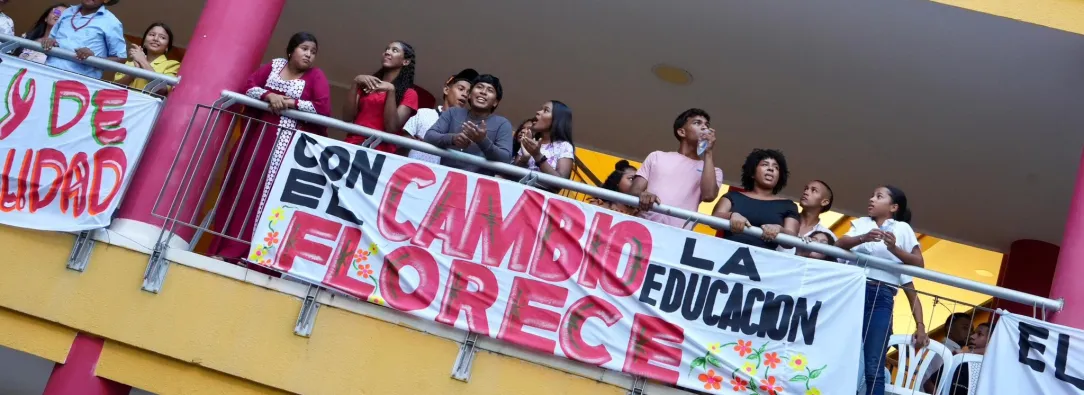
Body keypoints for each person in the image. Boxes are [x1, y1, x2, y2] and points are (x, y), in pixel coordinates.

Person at [207, 32, 331, 263]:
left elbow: (322, 109)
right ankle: (228, 249)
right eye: (304, 49)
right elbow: (249, 86)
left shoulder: (315, 76)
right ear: (291, 50)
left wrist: (291, 102)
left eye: (313, 52)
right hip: (256, 141)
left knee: (272, 198)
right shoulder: (274, 66)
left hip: (287, 149)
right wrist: (269, 95)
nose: (309, 55)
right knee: (244, 191)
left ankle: (256, 256)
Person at [836, 185, 927, 395]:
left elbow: (919, 263)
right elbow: (839, 243)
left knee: (873, 364)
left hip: (881, 298)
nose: (871, 199)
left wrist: (894, 248)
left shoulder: (902, 229)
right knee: (840, 353)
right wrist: (863, 238)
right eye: (871, 195)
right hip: (852, 294)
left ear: (893, 207)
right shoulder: (861, 224)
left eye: (878, 196)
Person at [630, 108, 722, 230]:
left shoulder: (714, 171)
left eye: (707, 125)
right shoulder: (656, 156)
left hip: (677, 236)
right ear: (682, 132)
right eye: (697, 123)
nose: (704, 127)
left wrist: (708, 152)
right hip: (643, 228)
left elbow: (708, 196)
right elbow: (633, 191)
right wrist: (643, 194)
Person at [422, 74, 513, 176]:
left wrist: (483, 141)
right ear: (469, 95)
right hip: (443, 178)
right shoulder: (453, 113)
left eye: (490, 90)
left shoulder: (503, 124)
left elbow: (505, 158)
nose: (483, 92)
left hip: (479, 186)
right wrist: (453, 139)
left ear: (495, 102)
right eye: (479, 87)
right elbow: (429, 136)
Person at [712, 149, 798, 250]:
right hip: (726, 255)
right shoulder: (733, 196)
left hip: (764, 262)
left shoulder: (788, 205)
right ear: (752, 173)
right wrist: (731, 215)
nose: (771, 169)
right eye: (765, 164)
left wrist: (779, 229)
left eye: (776, 167)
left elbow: (791, 242)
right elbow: (713, 221)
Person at [344, 41, 418, 154]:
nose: (387, 52)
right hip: (351, 145)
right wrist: (355, 83)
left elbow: (391, 128)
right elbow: (347, 117)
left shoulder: (410, 93)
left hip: (380, 153)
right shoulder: (367, 84)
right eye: (387, 49)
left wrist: (391, 90)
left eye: (394, 50)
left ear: (406, 61)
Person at [403, 68, 478, 164]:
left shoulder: (465, 127)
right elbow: (401, 143)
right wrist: (417, 145)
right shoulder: (423, 113)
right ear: (446, 90)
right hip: (411, 172)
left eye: (468, 93)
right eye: (461, 89)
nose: (464, 94)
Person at [40, 0, 127, 79]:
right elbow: (51, 40)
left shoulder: (112, 22)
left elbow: (121, 59)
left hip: (79, 86)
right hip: (47, 75)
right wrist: (50, 42)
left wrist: (93, 59)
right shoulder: (67, 12)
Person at [515, 101, 575, 192]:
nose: (538, 112)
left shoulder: (564, 146)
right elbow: (512, 174)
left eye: (546, 110)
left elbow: (560, 184)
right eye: (540, 109)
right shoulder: (530, 140)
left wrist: (537, 156)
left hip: (540, 201)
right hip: (517, 192)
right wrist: (524, 159)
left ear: (556, 119)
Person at [114, 22, 180, 94]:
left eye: (162, 37)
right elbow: (114, 88)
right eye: (152, 35)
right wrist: (133, 72)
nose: (155, 39)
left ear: (167, 47)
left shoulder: (172, 65)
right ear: (144, 42)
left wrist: (142, 60)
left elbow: (162, 90)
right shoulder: (129, 64)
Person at [947, 322, 989, 395]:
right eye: (973, 333)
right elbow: (930, 384)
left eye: (979, 334)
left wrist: (970, 352)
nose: (972, 336)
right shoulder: (961, 359)